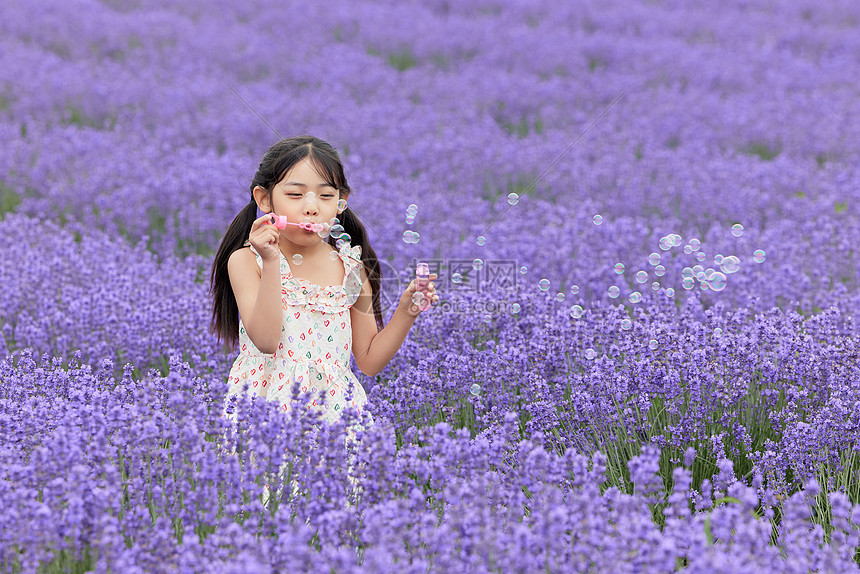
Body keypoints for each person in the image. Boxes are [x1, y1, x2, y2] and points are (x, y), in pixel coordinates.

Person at [209, 135, 438, 508]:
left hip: (338, 411)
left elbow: (367, 359)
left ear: (341, 202)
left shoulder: (350, 266)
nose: (311, 208)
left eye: (326, 196)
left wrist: (406, 313)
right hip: (268, 408)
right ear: (264, 199)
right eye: (295, 195)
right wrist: (270, 263)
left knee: (340, 515)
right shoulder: (246, 261)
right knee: (269, 511)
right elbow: (266, 339)